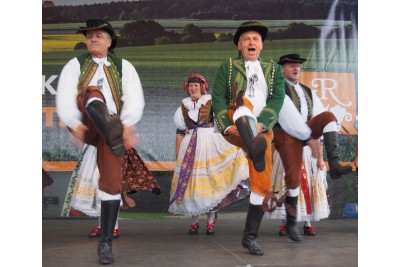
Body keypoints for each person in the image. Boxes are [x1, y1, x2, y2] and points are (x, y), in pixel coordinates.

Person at [56, 19, 145, 264]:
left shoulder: (124, 66)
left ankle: (105, 244)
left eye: (98, 35)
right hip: (87, 124)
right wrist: (76, 125)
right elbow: (64, 98)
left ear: (109, 41)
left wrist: (126, 123)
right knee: (92, 92)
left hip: (113, 129)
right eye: (90, 36)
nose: (93, 39)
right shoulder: (75, 65)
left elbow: (134, 99)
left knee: (111, 183)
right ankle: (111, 130)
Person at [212, 21, 286, 256]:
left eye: (255, 39)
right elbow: (218, 98)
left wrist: (263, 122)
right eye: (246, 39)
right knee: (244, 105)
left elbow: (277, 99)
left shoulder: (274, 70)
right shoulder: (229, 66)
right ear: (239, 46)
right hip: (236, 121)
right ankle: (251, 138)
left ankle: (250, 236)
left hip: (262, 130)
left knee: (261, 183)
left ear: (262, 45)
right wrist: (226, 125)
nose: (251, 42)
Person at [270, 53, 352, 242]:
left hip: (308, 143)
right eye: (291, 65)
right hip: (287, 140)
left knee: (329, 117)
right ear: (283, 69)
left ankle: (307, 222)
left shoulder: (308, 92)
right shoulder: (276, 91)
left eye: (298, 65)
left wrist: (321, 156)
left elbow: (321, 121)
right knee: (289, 181)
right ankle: (286, 221)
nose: (296, 68)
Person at [168, 73, 250, 236]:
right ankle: (194, 222)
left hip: (208, 144)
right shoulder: (182, 108)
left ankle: (211, 222)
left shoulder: (211, 103)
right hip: (189, 146)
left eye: (196, 86)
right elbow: (180, 132)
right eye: (190, 86)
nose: (193, 88)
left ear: (202, 88)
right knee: (192, 185)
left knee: (210, 183)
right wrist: (179, 155)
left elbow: (222, 124)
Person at [265, 141, 330, 237]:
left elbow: (318, 139)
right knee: (286, 186)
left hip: (307, 153)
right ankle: (285, 222)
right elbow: (275, 139)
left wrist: (320, 158)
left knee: (307, 186)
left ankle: (307, 224)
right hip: (285, 152)